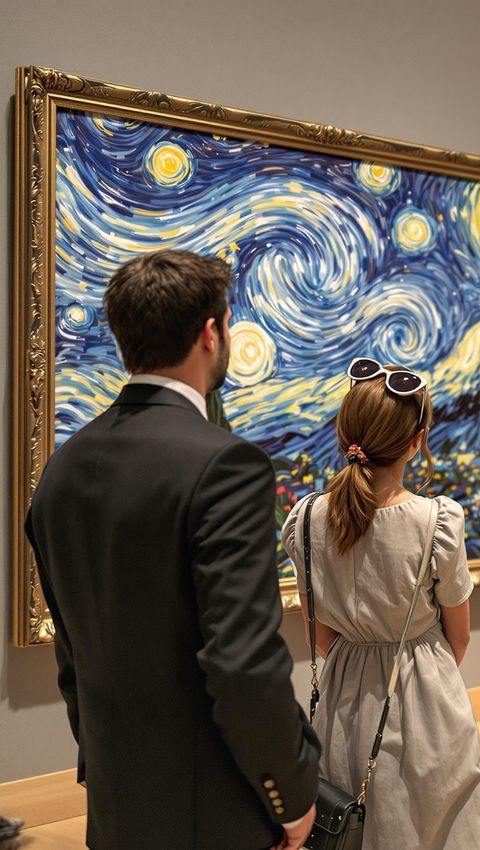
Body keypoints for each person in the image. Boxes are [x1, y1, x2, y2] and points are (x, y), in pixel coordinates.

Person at [25, 251, 320, 849]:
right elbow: (243, 662)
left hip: (116, 803)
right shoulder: (225, 464)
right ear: (210, 334)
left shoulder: (62, 467)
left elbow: (73, 658)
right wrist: (289, 795)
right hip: (212, 811)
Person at [285, 358, 480, 848]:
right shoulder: (436, 521)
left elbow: (320, 636)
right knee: (428, 825)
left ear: (344, 433)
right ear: (416, 442)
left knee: (347, 822)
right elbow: (457, 637)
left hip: (341, 697)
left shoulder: (308, 518)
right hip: (423, 694)